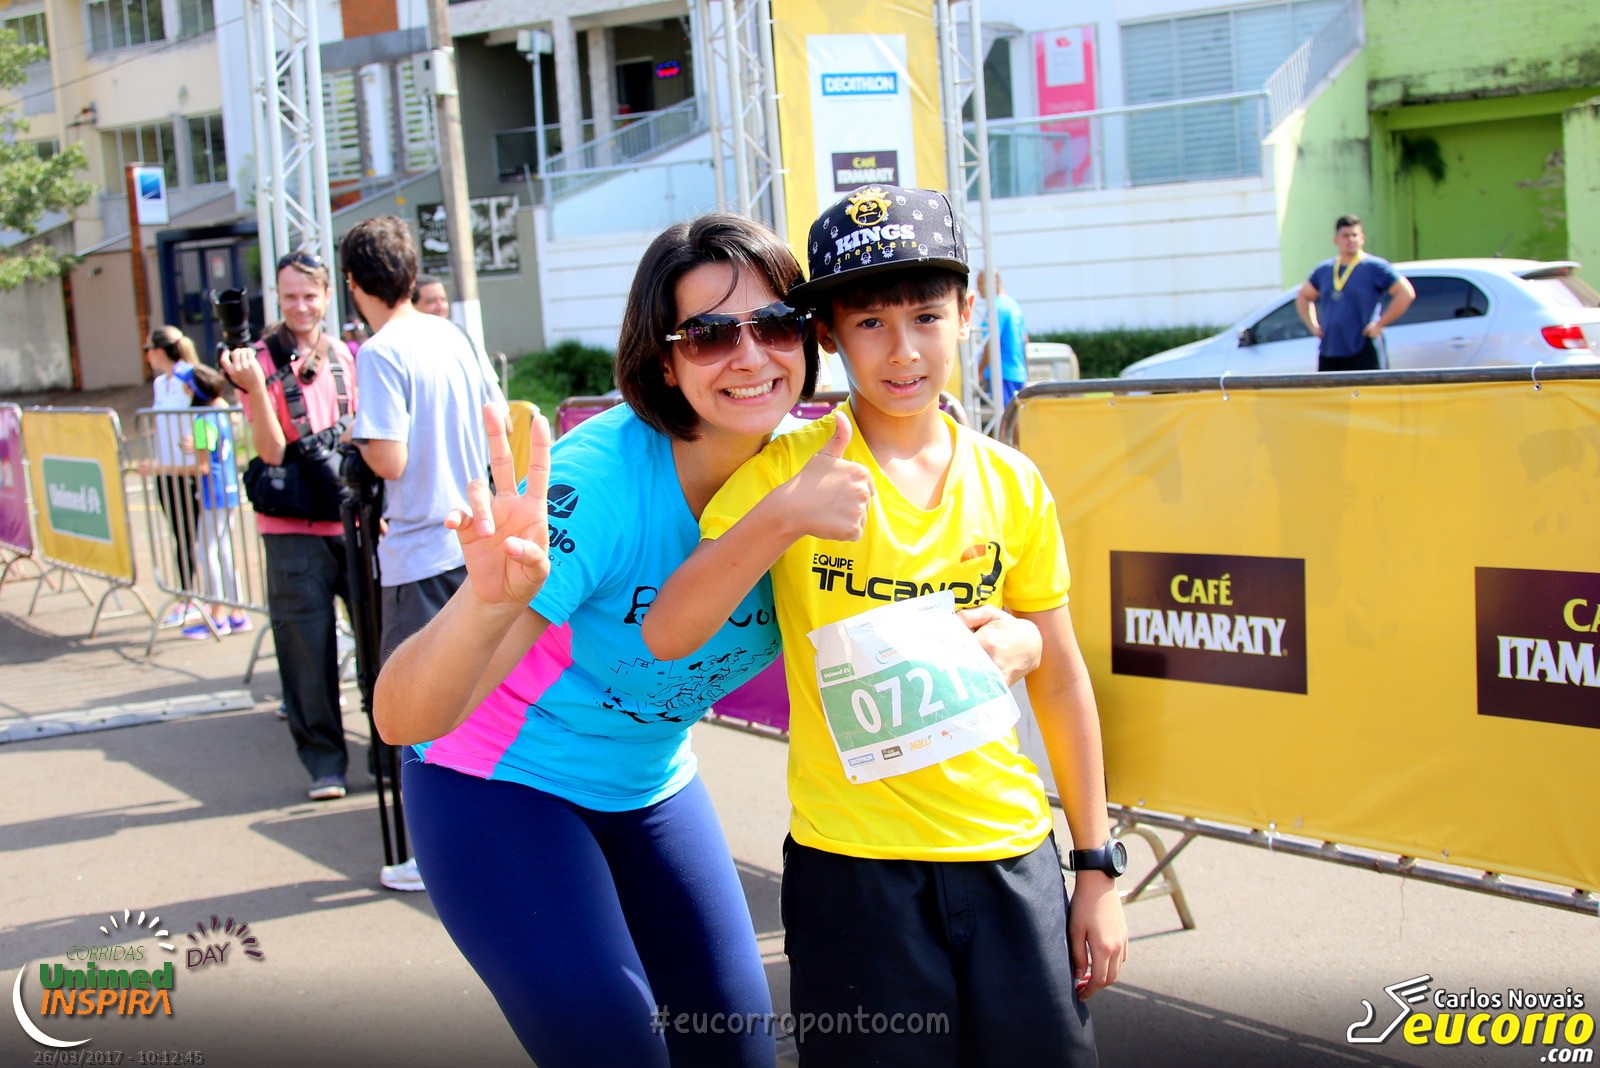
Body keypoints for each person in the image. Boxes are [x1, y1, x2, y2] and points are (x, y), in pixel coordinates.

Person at [372, 212, 1046, 1066]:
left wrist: (1020, 640)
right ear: (664, 358)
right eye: (710, 335)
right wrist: (483, 602)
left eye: (776, 324)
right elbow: (402, 720)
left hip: (650, 782)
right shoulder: (599, 486)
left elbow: (930, 603)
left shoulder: (818, 463)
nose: (751, 356)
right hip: (500, 786)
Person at [642, 184, 1128, 1065]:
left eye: (926, 317)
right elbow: (670, 631)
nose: (903, 351)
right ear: (827, 334)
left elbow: (1060, 676)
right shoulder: (787, 467)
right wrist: (781, 517)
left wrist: (1095, 867)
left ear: (968, 314)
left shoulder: (1012, 483)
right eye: (869, 323)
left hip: (1010, 854)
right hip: (851, 872)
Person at [343, 215, 507, 891]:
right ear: (411, 272)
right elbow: (499, 419)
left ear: (353, 284)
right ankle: (485, 839)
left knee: (417, 707)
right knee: (480, 697)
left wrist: (356, 441)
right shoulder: (449, 333)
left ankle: (434, 856)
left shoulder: (380, 351)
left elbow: (390, 456)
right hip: (475, 537)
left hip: (418, 548)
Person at [220, 250, 359, 803]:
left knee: (379, 642)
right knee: (305, 649)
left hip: (349, 520)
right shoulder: (256, 360)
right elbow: (272, 451)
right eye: (289, 297)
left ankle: (389, 750)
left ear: (327, 295)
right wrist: (256, 388)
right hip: (290, 528)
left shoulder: (346, 355)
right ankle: (324, 763)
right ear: (276, 299)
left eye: (309, 295)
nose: (300, 307)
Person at [172, 361, 250, 640]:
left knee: (209, 553)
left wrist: (161, 468)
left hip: (213, 493)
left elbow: (203, 466)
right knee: (223, 551)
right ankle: (236, 613)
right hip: (226, 489)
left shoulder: (203, 420)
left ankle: (217, 615)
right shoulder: (221, 412)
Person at [1295, 213, 1416, 372]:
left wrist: (1380, 324)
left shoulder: (1375, 267)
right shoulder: (1325, 270)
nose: (1351, 239)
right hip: (1330, 348)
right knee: (1328, 389)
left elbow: (1406, 293)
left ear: (1362, 238)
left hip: (1363, 346)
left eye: (1354, 235)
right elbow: (1304, 296)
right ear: (1336, 240)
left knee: (1369, 388)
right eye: (1345, 235)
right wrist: (1313, 327)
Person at [142, 326, 202, 627]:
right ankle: (187, 597)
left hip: (191, 472)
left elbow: (214, 409)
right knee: (180, 536)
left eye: (147, 349)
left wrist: (201, 442)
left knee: (193, 538)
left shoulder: (190, 377)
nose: (146, 356)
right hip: (166, 471)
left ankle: (200, 600)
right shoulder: (160, 384)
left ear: (159, 351)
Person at [976, 268, 1028, 407]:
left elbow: (992, 342)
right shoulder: (1013, 305)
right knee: (1017, 415)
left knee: (1007, 416)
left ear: (993, 281)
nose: (978, 288)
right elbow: (1024, 340)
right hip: (1018, 372)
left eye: (980, 283)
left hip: (1001, 374)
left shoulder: (996, 308)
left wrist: (980, 371)